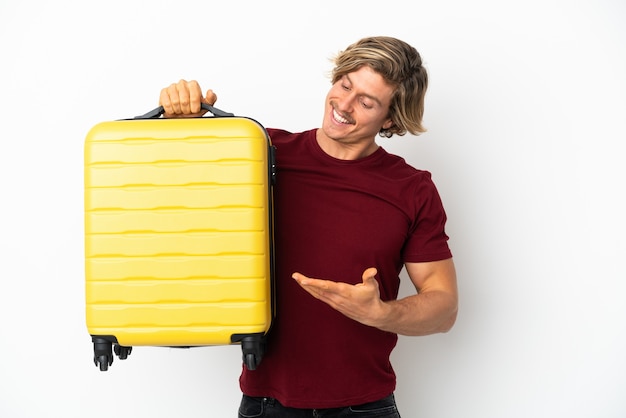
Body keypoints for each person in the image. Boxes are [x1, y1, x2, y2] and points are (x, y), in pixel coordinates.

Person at [159, 36, 458, 417]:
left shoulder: (412, 188)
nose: (344, 106)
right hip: (267, 403)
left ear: (391, 119)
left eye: (366, 102)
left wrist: (381, 314)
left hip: (365, 407)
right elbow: (175, 201)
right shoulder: (257, 152)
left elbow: (444, 307)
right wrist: (179, 126)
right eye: (345, 85)